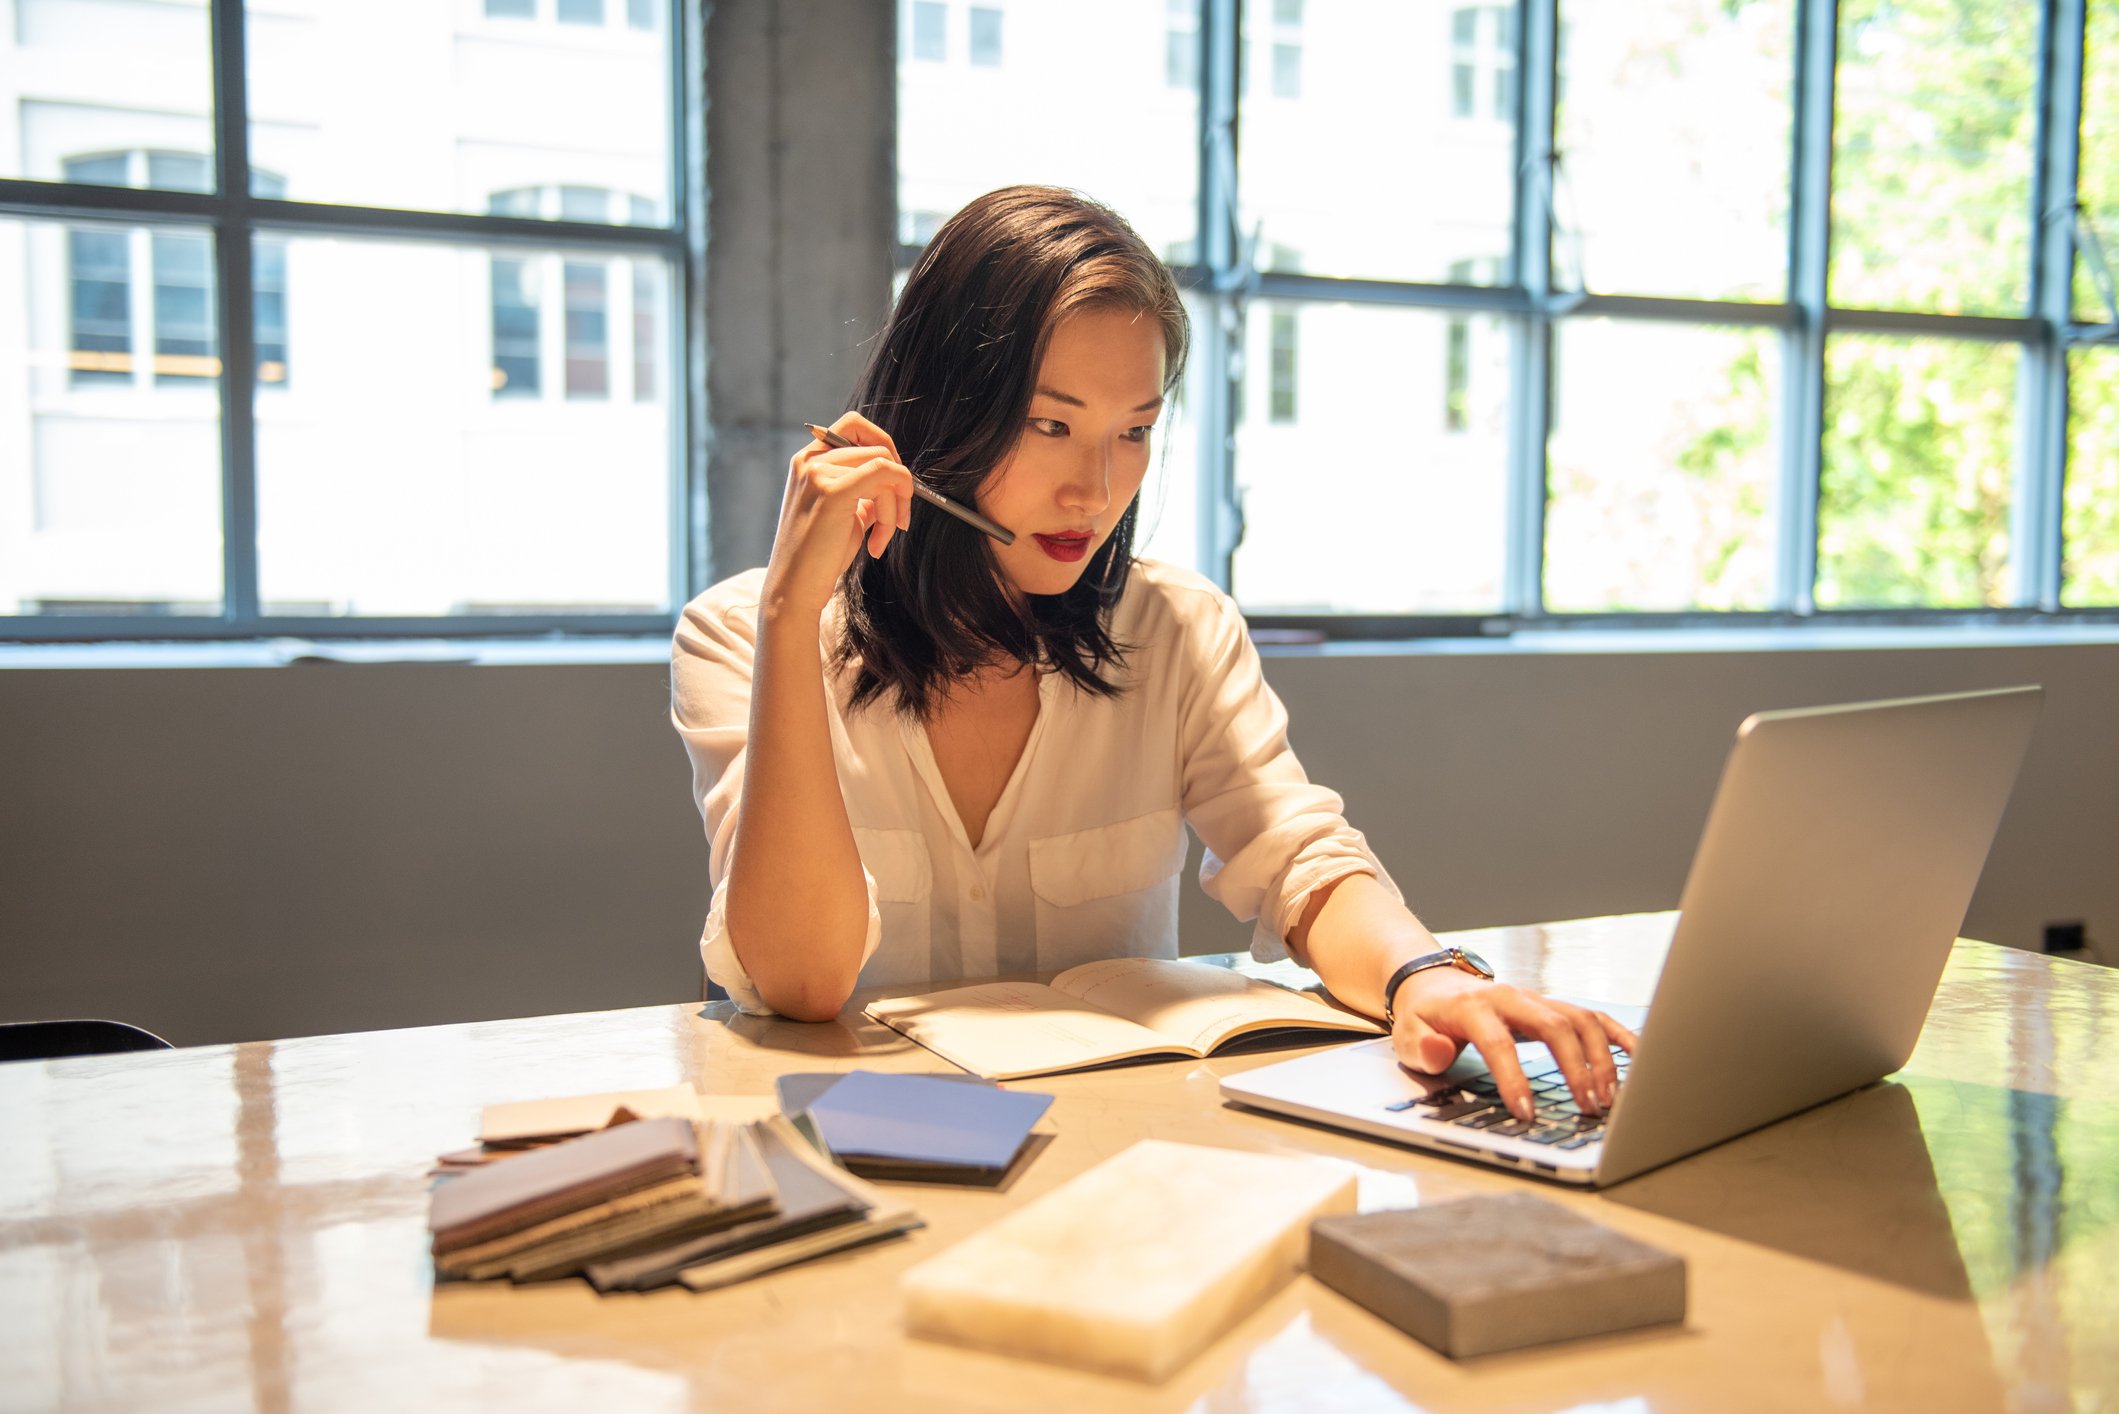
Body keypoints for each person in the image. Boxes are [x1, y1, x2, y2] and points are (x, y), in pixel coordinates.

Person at [671, 185, 1634, 1123]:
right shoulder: (740, 633)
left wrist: (1421, 973)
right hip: (861, 1161)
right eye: (1051, 425)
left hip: (1119, 1160)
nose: (1095, 491)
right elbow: (799, 982)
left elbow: (1294, 851)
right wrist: (793, 613)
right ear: (938, 417)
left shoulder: (1176, 628)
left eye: (1132, 432)